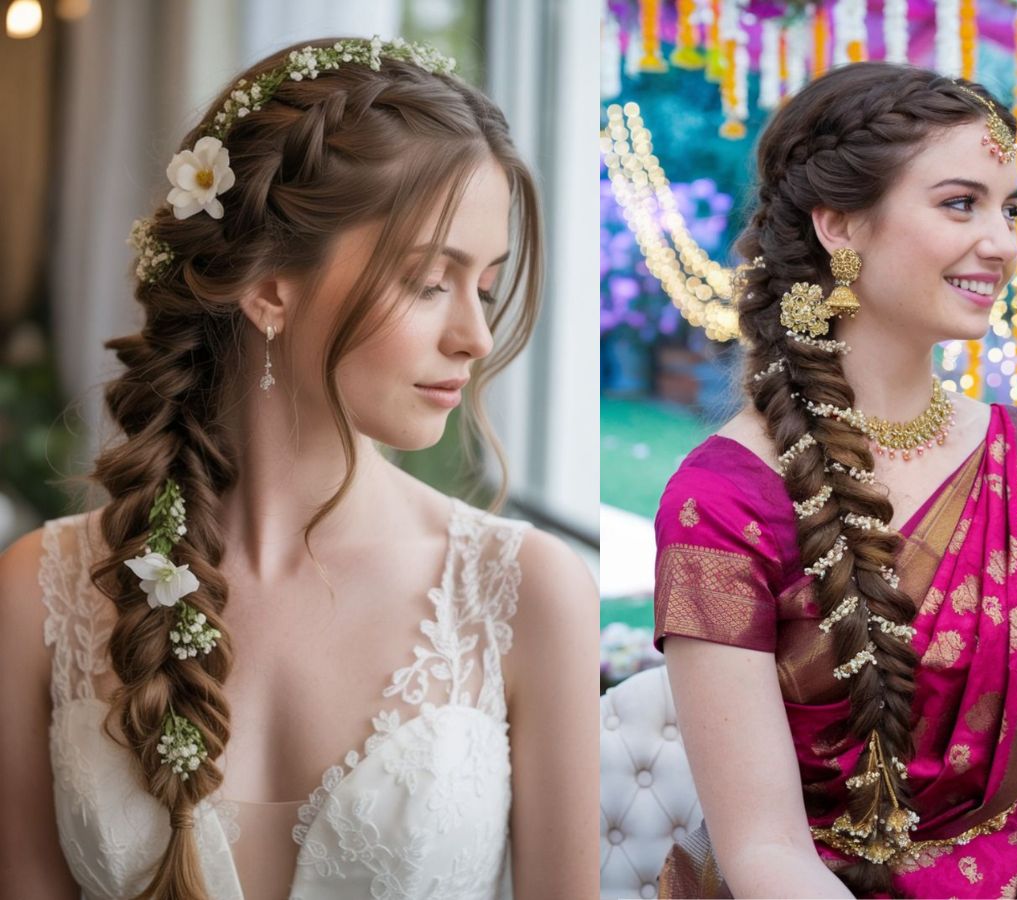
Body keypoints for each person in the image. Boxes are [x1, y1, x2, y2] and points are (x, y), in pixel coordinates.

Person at [0, 36, 597, 900]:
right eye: (430, 282)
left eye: (487, 288)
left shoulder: (529, 593)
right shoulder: (39, 592)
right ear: (270, 286)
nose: (474, 337)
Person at [652, 63, 1017, 899]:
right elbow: (766, 850)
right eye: (960, 203)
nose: (1002, 243)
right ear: (839, 224)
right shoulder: (727, 501)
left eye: (1010, 209)